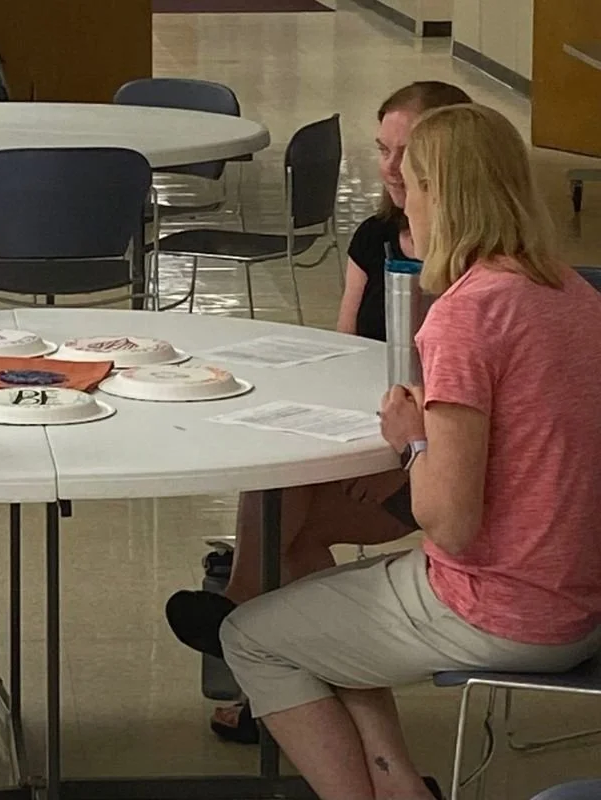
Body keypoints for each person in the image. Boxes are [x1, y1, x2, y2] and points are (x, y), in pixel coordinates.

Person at [214, 103, 601, 800]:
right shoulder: (572, 292)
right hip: (579, 592)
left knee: (251, 637)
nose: (403, 202)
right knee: (310, 585)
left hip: (503, 606)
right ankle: (397, 784)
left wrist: (412, 437)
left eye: (412, 185)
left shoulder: (466, 314)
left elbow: (448, 522)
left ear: (440, 196)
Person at [164, 81, 472, 744]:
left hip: (434, 470)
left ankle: (245, 629)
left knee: (284, 522)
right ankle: (274, 669)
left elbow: (464, 415)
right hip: (374, 439)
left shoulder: (474, 271)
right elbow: (345, 354)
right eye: (383, 150)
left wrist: (401, 460)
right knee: (283, 504)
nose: (392, 169)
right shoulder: (376, 237)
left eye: (409, 154)